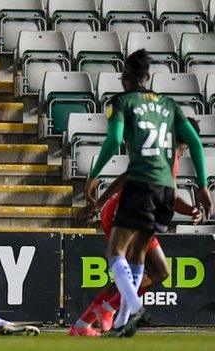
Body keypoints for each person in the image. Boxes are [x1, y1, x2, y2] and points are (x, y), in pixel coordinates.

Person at [83, 49, 211, 337]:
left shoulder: (122, 102)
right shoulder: (168, 104)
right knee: (138, 255)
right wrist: (202, 185)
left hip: (141, 184)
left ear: (125, 76)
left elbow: (115, 139)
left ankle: (134, 306)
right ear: (148, 76)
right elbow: (195, 142)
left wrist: (93, 176)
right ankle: (121, 322)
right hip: (166, 189)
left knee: (116, 251)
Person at [69, 118, 203, 337]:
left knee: (158, 272)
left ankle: (89, 321)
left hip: (140, 216)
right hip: (123, 214)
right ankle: (98, 316)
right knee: (142, 272)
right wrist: (190, 210)